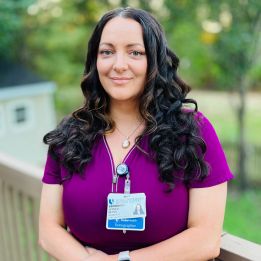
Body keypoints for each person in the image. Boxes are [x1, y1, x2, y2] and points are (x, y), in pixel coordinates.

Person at [39, 6, 234, 261]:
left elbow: (206, 240)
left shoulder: (192, 132)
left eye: (135, 52)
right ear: (94, 61)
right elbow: (48, 231)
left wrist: (121, 260)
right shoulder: (69, 137)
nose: (119, 65)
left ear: (154, 60)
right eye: (107, 52)